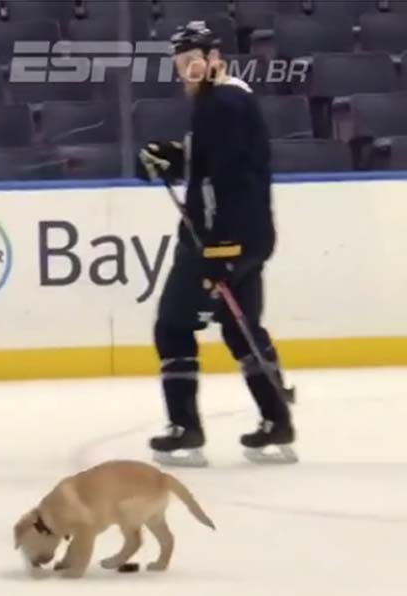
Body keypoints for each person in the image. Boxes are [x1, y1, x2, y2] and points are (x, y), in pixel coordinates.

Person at [136, 21, 296, 466]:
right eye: (181, 64)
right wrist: (172, 155)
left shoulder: (219, 103)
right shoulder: (229, 98)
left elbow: (231, 181)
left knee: (172, 326)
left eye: (194, 61)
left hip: (220, 240)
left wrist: (219, 248)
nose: (188, 70)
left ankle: (185, 430)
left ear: (215, 58)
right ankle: (277, 420)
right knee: (240, 326)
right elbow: (217, 162)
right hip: (250, 236)